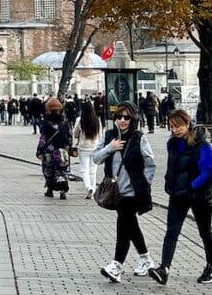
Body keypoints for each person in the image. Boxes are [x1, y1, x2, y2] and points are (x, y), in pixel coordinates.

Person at [94, 101, 156, 283]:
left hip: (132, 192)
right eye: (119, 117)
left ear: (133, 119)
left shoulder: (138, 138)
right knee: (131, 226)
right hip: (114, 190)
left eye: (127, 117)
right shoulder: (109, 136)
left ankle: (116, 265)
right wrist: (110, 147)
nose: (122, 120)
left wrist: (145, 185)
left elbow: (150, 163)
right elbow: (96, 158)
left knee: (123, 226)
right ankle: (146, 259)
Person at [148, 109, 212, 286]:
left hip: (199, 195)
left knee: (205, 232)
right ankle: (164, 269)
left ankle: (210, 265)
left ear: (188, 124)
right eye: (172, 126)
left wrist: (192, 186)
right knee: (171, 232)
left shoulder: (202, 144)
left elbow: (208, 170)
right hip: (177, 194)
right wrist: (169, 183)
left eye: (179, 126)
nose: (175, 130)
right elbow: (172, 167)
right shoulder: (172, 144)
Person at [36, 98, 72, 200]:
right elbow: (69, 136)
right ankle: (63, 190)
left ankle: (50, 190)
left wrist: (39, 150)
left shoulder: (46, 123)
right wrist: (69, 147)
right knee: (63, 170)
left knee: (49, 171)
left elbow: (43, 138)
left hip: (49, 152)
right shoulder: (65, 122)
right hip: (63, 151)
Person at [72, 99, 102, 198]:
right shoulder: (97, 120)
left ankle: (89, 187)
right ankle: (93, 192)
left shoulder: (80, 120)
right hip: (95, 147)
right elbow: (100, 135)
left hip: (83, 147)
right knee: (93, 171)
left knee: (84, 170)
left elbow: (75, 134)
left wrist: (74, 146)